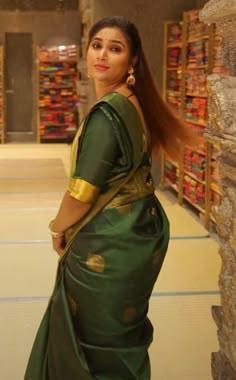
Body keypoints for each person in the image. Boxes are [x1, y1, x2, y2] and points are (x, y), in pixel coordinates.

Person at [24, 16, 193, 380]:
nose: (102, 54)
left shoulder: (108, 114)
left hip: (108, 244)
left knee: (93, 344)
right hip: (136, 235)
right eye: (96, 45)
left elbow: (81, 195)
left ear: (132, 61)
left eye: (115, 48)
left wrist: (56, 228)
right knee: (121, 338)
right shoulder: (134, 103)